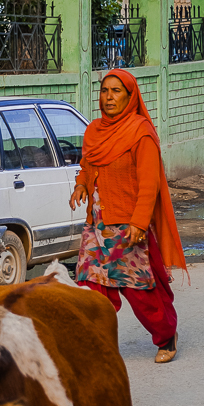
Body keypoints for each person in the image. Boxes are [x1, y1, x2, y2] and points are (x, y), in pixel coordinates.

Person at [69, 69, 187, 363]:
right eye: (104, 90)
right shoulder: (93, 130)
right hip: (97, 224)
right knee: (91, 287)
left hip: (127, 223)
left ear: (130, 96)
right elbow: (87, 164)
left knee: (139, 292)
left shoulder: (140, 132)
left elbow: (150, 184)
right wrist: (81, 183)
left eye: (116, 91)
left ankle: (166, 335)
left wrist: (138, 223)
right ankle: (96, 342)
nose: (108, 97)